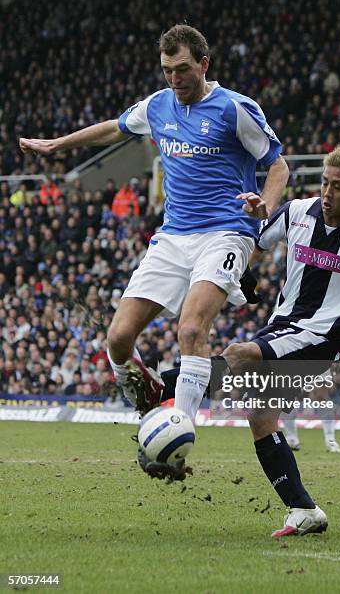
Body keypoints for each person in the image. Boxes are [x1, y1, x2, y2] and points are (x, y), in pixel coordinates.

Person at [19, 24, 289, 478]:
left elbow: (277, 166)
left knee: (190, 331)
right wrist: (60, 144)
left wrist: (266, 206)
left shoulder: (235, 109)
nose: (174, 78)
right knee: (118, 339)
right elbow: (114, 129)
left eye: (182, 69)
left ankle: (176, 445)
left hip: (225, 233)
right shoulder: (158, 106)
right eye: (167, 70)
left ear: (203, 64)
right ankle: (151, 400)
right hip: (172, 237)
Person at [145, 143, 340, 533]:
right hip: (283, 325)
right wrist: (244, 273)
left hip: (321, 337)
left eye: (337, 186)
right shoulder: (299, 212)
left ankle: (160, 384)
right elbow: (254, 238)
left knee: (240, 354)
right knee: (261, 417)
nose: (327, 191)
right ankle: (304, 509)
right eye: (324, 182)